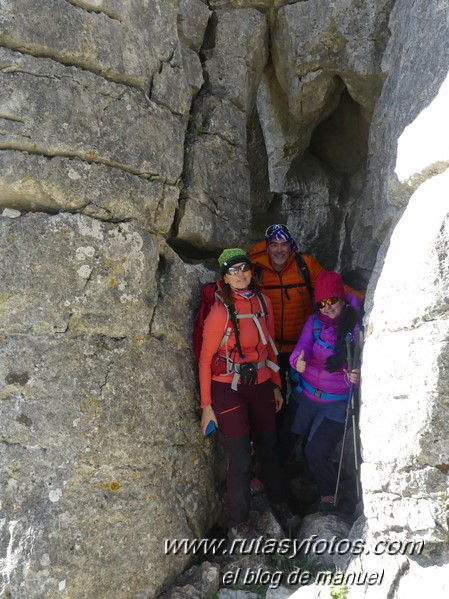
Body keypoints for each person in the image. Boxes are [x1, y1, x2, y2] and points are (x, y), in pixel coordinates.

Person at [198, 248, 299, 539]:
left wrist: (277, 385)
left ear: (251, 271)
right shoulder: (219, 312)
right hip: (228, 388)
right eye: (233, 271)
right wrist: (207, 405)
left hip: (262, 384)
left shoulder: (263, 302)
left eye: (244, 268)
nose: (240, 274)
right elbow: (205, 359)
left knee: (270, 448)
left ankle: (281, 505)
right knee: (240, 458)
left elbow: (269, 348)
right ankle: (239, 522)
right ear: (225, 278)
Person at [248, 224, 364, 401]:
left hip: (303, 346)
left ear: (291, 246)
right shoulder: (255, 270)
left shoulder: (304, 265)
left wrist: (364, 297)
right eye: (273, 244)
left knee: (299, 394)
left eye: (284, 244)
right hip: (269, 348)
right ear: (267, 247)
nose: (279, 250)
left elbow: (333, 288)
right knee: (273, 398)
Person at [289, 271, 362, 512]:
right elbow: (303, 346)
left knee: (315, 450)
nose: (327, 308)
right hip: (307, 394)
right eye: (322, 303)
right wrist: (297, 360)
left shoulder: (355, 325)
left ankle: (328, 495)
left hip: (337, 402)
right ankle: (288, 486)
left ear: (341, 298)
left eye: (332, 301)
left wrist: (358, 373)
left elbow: (365, 358)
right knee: (288, 439)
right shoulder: (314, 322)